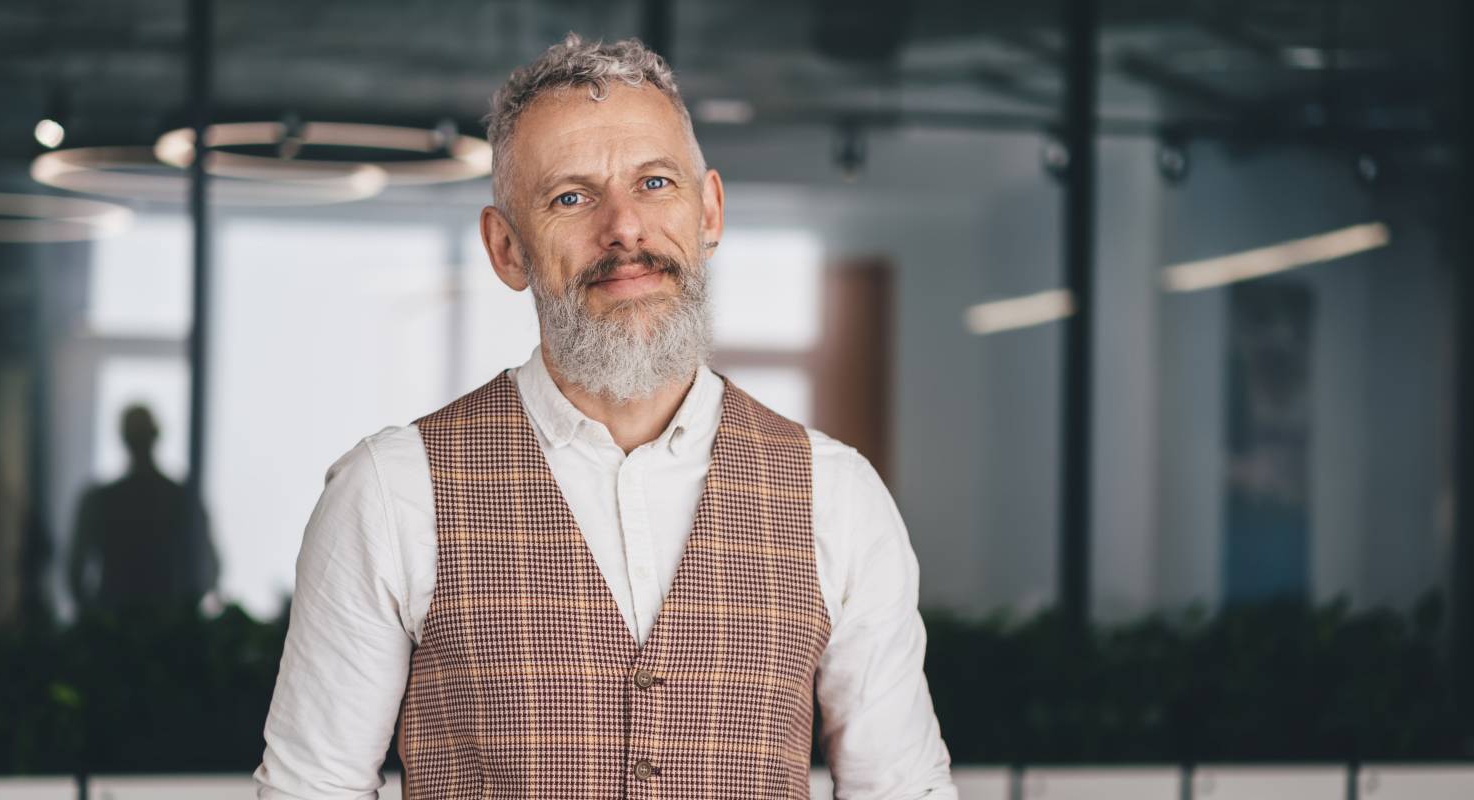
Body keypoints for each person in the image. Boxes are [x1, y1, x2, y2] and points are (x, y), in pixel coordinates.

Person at [254, 34, 956, 799]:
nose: (624, 228)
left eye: (656, 183)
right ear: (506, 248)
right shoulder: (390, 492)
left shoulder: (838, 496)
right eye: (571, 197)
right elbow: (310, 788)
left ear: (710, 211)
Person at [66, 404, 218, 615]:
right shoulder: (180, 499)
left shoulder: (102, 499)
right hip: (166, 622)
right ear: (155, 436)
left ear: (123, 439)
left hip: (116, 622)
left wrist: (97, 619)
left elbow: (75, 571)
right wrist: (185, 612)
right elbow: (209, 568)